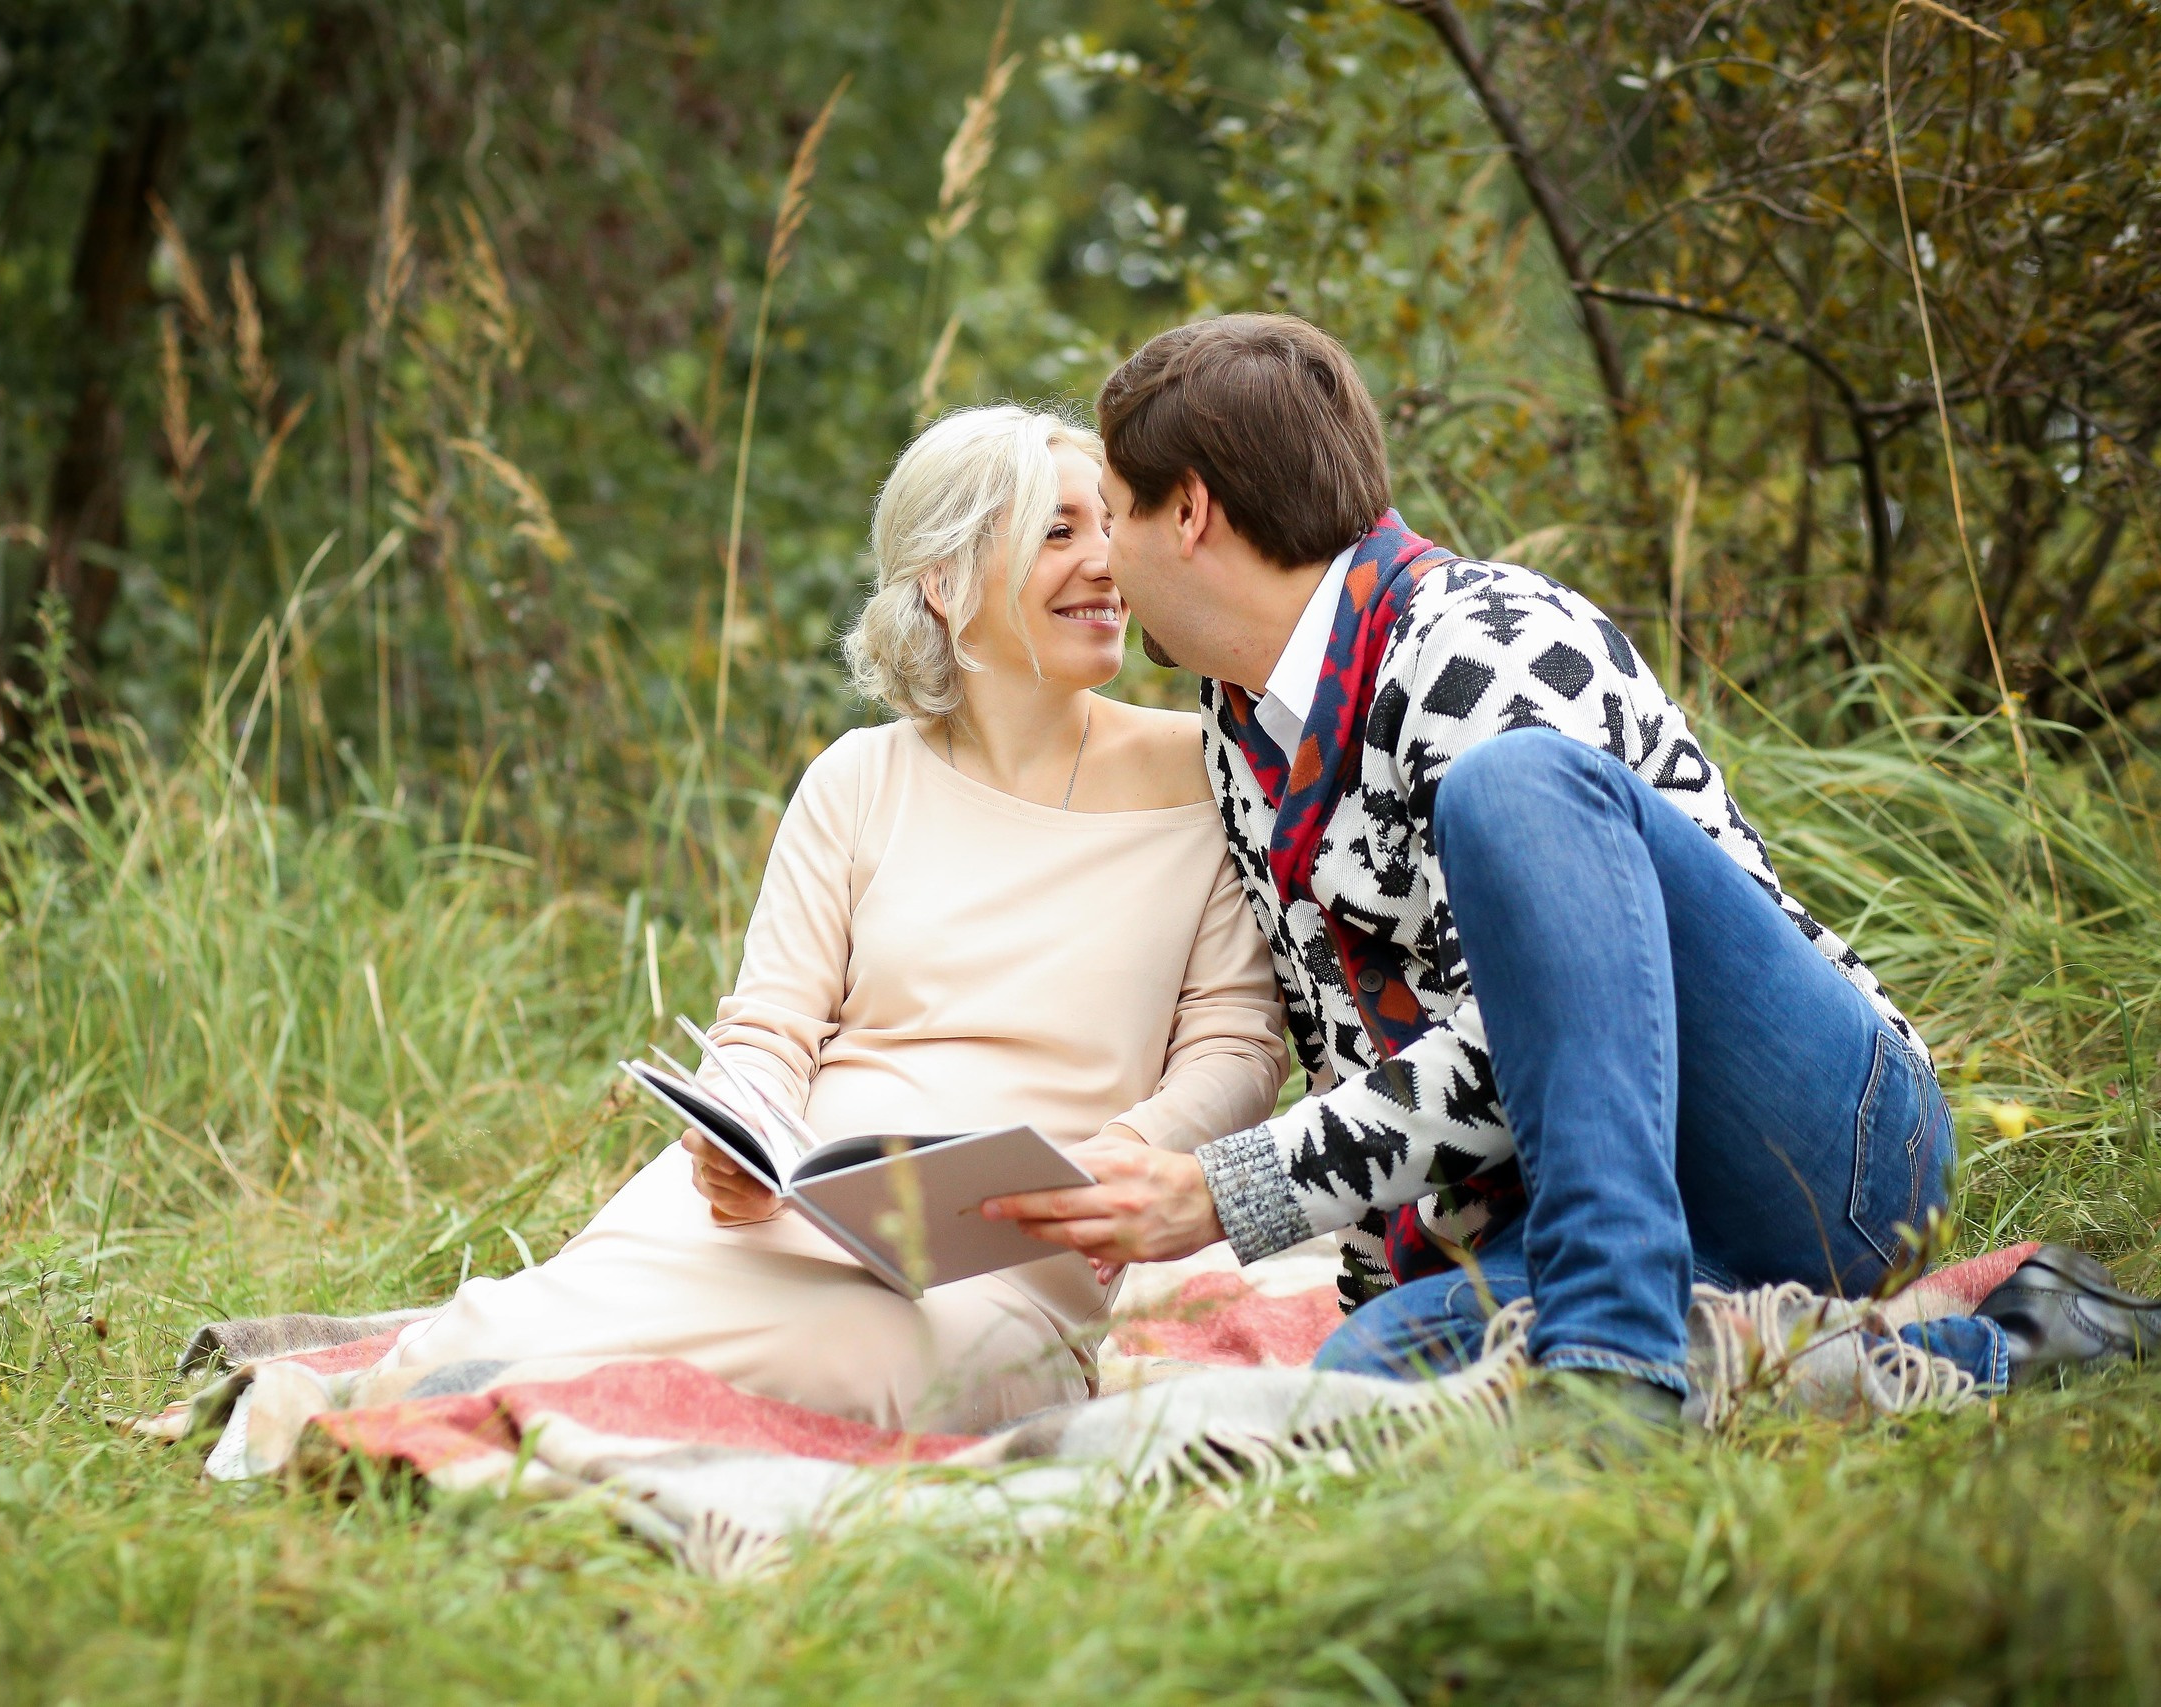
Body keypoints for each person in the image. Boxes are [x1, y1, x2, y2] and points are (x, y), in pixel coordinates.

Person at [985, 313, 2159, 1413]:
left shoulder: (1487, 641)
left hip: (1801, 1145)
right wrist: (1376, 1296)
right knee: (1366, 1384)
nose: (1108, 561)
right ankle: (2002, 1343)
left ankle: (1607, 1362)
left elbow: (1532, 1033)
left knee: (1519, 783)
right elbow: (1353, 1045)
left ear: (1186, 512)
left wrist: (1227, 1190)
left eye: (1117, 514)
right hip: (1562, 1212)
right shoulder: (1240, 728)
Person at [318, 405, 1288, 1435]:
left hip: (1015, 1242)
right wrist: (738, 1139)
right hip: (804, 1200)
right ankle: (504, 1391)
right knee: (492, 1334)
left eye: (1110, 526)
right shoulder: (858, 778)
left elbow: (1237, 1045)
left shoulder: (1210, 769)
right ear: (946, 582)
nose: (1106, 564)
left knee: (866, 1371)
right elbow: (771, 1024)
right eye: (1058, 533)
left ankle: (563, 1415)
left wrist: (1127, 1159)